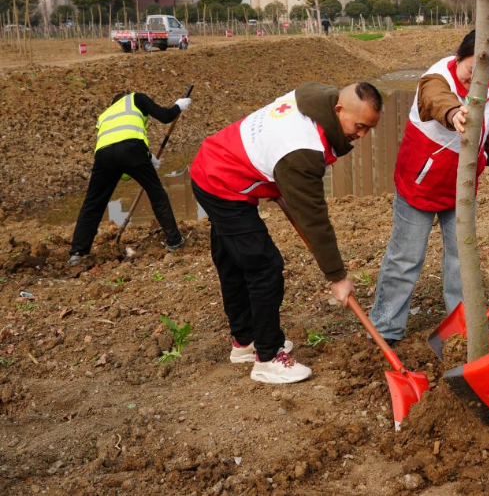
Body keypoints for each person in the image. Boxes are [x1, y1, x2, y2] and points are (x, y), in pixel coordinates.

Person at [190, 82, 382, 384]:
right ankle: (268, 358)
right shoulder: (302, 152)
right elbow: (314, 220)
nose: (362, 135)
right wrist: (338, 277)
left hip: (215, 159)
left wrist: (281, 183)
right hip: (222, 182)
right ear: (338, 109)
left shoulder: (314, 96)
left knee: (234, 261)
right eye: (359, 126)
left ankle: (245, 341)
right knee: (265, 266)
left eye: (369, 128)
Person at [371, 30, 489, 342]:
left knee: (462, 259)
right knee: (406, 257)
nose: (476, 79)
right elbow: (436, 100)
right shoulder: (436, 79)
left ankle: (460, 329)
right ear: (458, 58)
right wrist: (454, 113)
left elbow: (488, 122)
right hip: (421, 180)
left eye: (486, 72)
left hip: (461, 185)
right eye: (471, 69)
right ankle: (386, 327)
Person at [68, 91, 192, 265]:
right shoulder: (136, 98)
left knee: (92, 204)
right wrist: (178, 106)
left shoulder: (105, 115)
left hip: (103, 156)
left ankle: (77, 252)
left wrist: (147, 157)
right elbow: (165, 117)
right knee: (156, 194)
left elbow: (118, 157)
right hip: (132, 150)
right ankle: (174, 241)